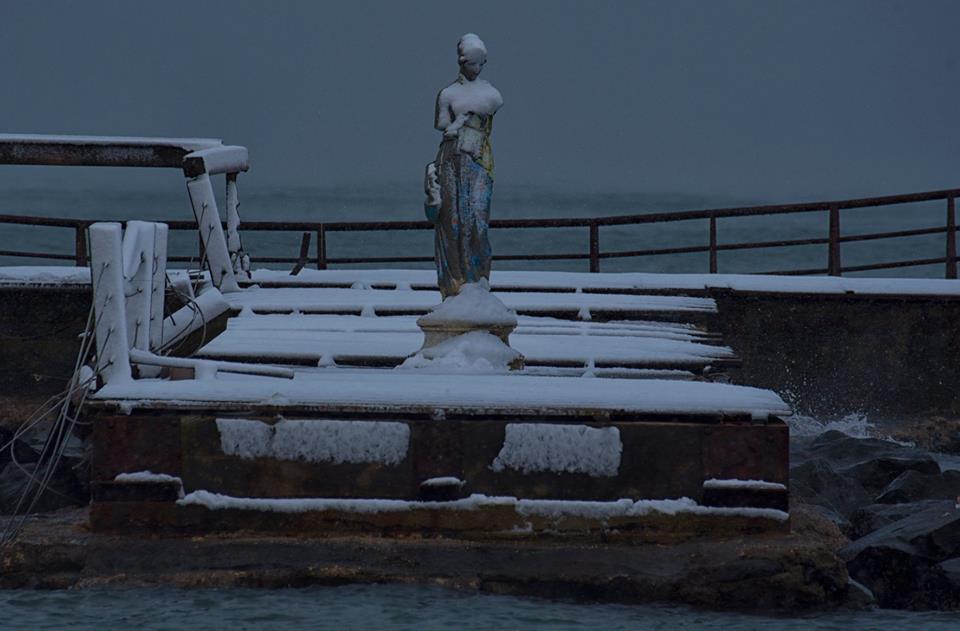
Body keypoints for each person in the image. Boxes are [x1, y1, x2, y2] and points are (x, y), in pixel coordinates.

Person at [425, 33, 503, 299]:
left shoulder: (492, 94)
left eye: (480, 64)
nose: (476, 69)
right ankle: (456, 282)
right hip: (451, 158)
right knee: (453, 221)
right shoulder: (448, 94)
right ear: (462, 62)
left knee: (478, 222)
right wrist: (456, 125)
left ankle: (478, 280)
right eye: (471, 63)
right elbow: (441, 125)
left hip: (479, 159)